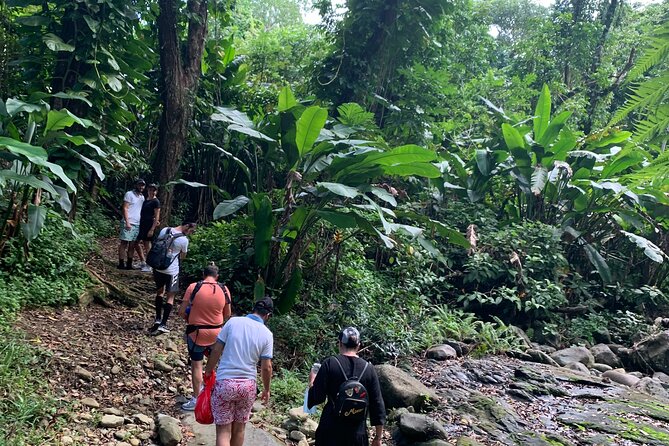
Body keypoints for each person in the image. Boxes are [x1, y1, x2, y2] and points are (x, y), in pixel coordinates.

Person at [204, 297, 274, 446]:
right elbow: (266, 367)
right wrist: (266, 389)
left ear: (253, 309)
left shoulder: (233, 322)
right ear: (268, 315)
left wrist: (208, 371)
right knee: (240, 430)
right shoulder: (267, 334)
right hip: (248, 386)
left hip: (225, 382)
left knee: (223, 431)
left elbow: (216, 349)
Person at [307, 327, 386, 446]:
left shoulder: (330, 363)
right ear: (358, 345)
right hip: (357, 434)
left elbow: (318, 397)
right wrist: (378, 437)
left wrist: (312, 381)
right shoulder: (369, 369)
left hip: (330, 430)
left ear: (339, 343)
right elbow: (377, 405)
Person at [178, 263, 232, 411]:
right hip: (217, 335)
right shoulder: (224, 289)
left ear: (203, 274)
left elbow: (181, 311)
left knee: (197, 365)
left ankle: (197, 399)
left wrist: (190, 319)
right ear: (217, 276)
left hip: (197, 333)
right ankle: (217, 397)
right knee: (216, 364)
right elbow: (227, 314)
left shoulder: (194, 287)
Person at [150, 220, 197, 335]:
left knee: (159, 292)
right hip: (171, 270)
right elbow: (183, 256)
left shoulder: (165, 230)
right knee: (170, 296)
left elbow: (157, 243)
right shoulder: (184, 240)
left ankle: (157, 319)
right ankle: (163, 324)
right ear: (187, 226)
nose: (190, 233)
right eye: (191, 230)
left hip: (158, 267)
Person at [118, 179, 145, 269]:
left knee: (133, 244)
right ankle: (121, 263)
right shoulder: (129, 194)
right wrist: (127, 222)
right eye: (139, 185)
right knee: (124, 242)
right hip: (128, 222)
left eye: (143, 185)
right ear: (136, 185)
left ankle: (129, 264)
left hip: (137, 223)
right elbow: (125, 208)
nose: (141, 187)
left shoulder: (142, 197)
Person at [137, 183, 161, 272]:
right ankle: (143, 261)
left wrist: (152, 229)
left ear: (156, 191)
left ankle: (149, 265)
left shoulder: (156, 202)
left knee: (147, 245)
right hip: (142, 224)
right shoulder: (145, 199)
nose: (151, 192)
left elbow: (157, 216)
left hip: (149, 225)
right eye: (150, 190)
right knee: (136, 243)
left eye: (153, 190)